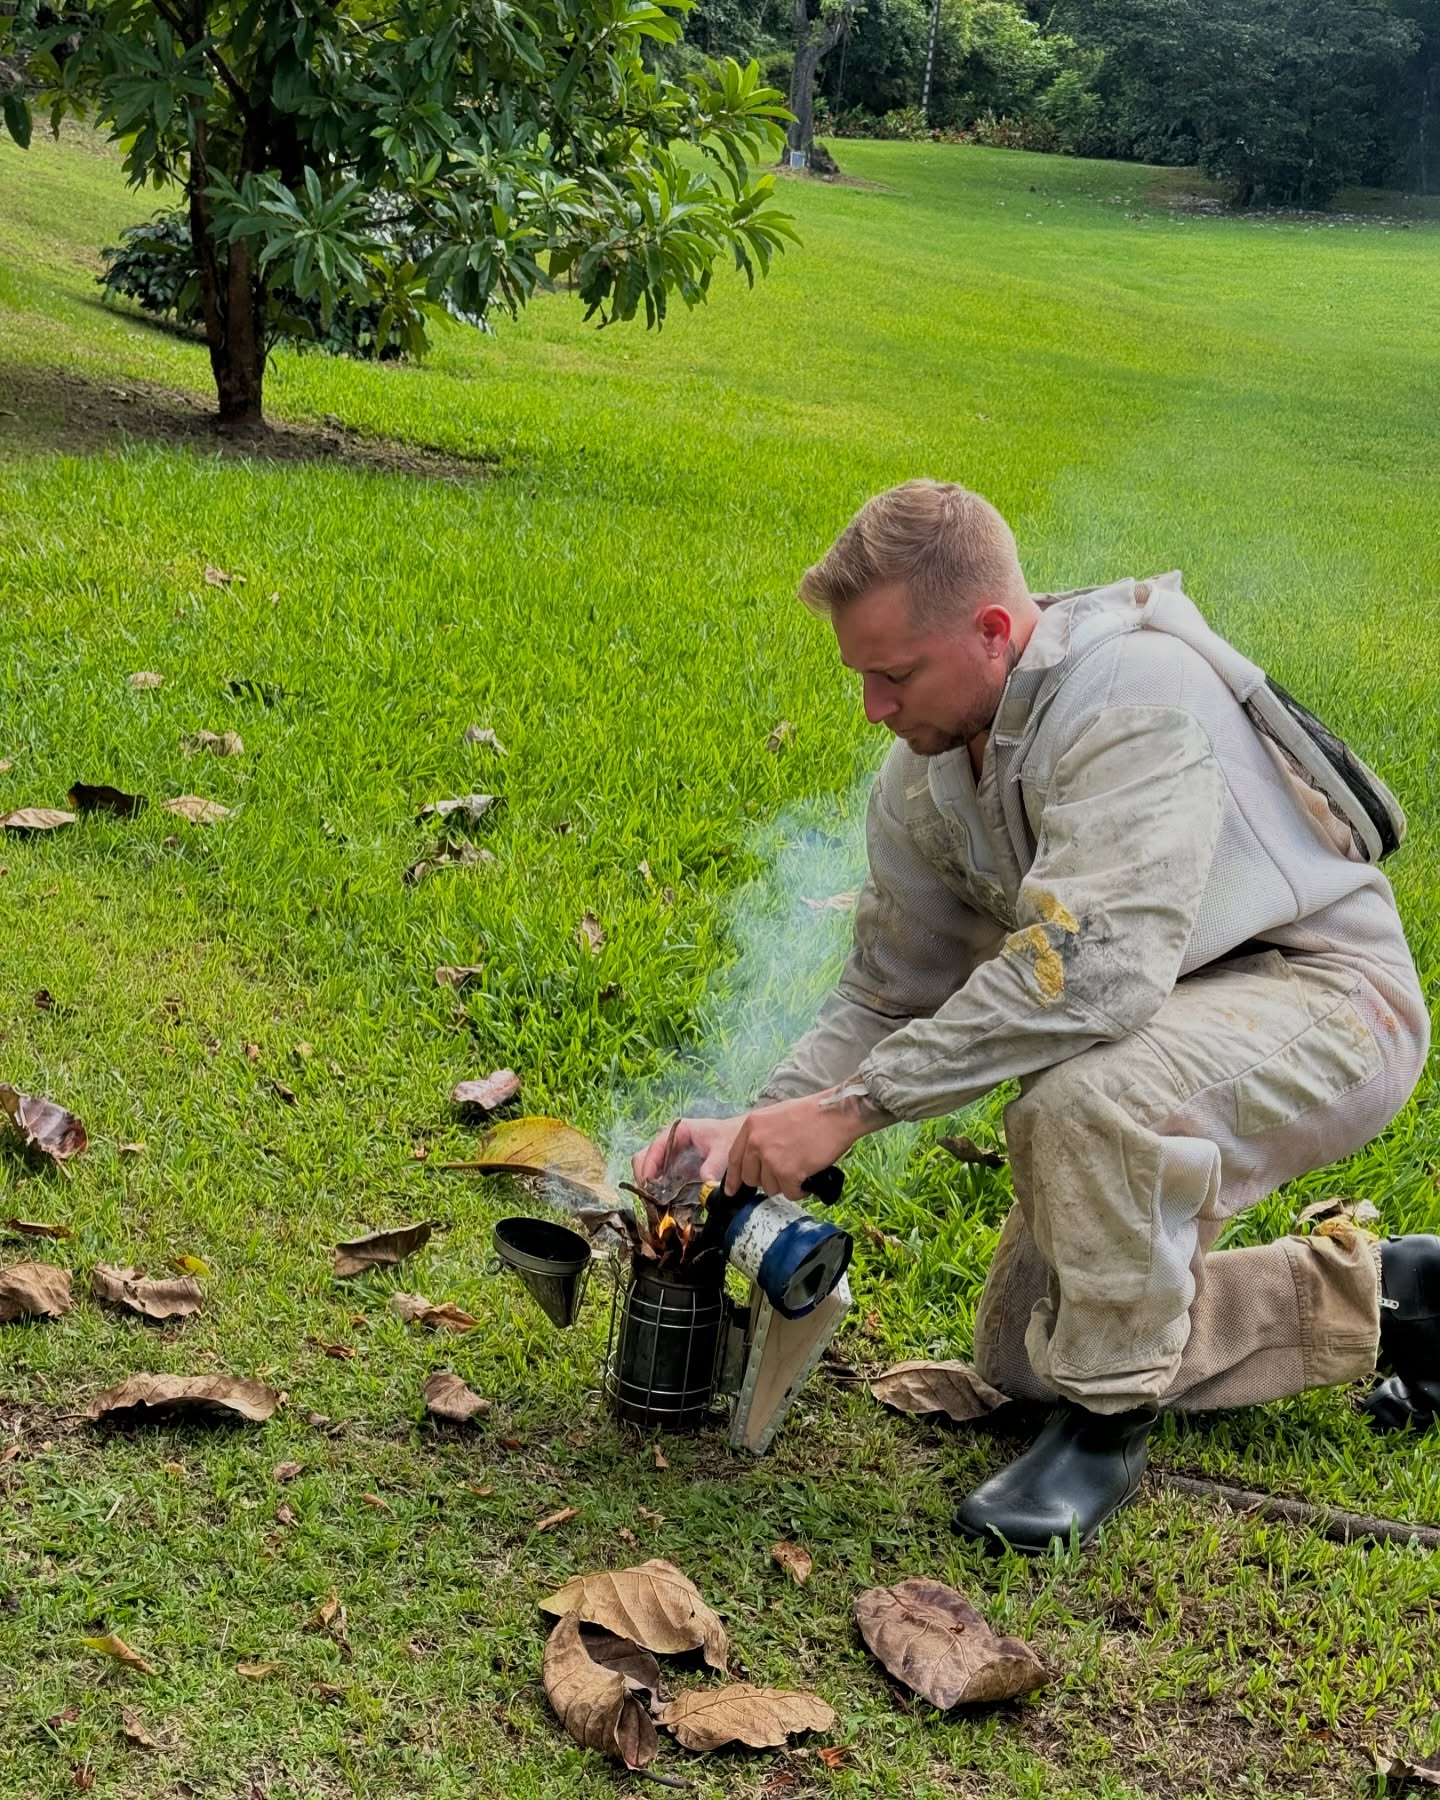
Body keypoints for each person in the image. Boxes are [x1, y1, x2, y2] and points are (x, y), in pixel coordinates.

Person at [633, 479, 1436, 1554]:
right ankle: (1404, 1302)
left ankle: (1106, 1433)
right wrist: (755, 1127)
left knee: (1075, 1102)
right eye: (860, 676)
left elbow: (1089, 976)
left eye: (895, 673)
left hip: (1322, 998)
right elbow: (887, 989)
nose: (873, 706)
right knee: (1023, 1355)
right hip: (1156, 1013)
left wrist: (855, 1110)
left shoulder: (1135, 692)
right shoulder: (924, 773)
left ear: (995, 629)